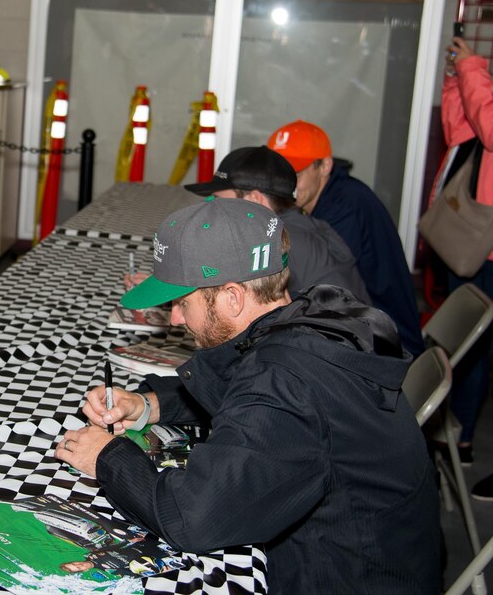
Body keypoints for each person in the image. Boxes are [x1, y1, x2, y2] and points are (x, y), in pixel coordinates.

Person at [56, 197, 438, 593]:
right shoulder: (306, 317)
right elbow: (238, 384)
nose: (175, 318)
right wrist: (149, 405)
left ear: (234, 297)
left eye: (182, 302)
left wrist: (106, 457)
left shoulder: (285, 383)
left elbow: (192, 516)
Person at [267, 119, 424, 355]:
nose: (284, 184)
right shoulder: (331, 197)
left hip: (389, 350)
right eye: (277, 174)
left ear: (325, 166)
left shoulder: (345, 208)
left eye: (294, 173)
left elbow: (325, 291)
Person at [184, 145, 370, 303]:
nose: (214, 209)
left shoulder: (277, 242)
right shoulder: (307, 228)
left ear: (254, 199)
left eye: (220, 201)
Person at [441, 36, 493, 484]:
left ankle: (464, 436)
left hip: (488, 247)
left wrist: (472, 66)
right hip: (474, 241)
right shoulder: (480, 82)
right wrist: (457, 79)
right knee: (464, 344)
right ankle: (454, 429)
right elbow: (463, 131)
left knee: (477, 345)